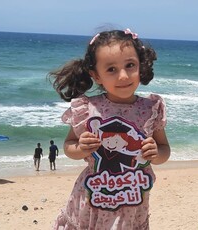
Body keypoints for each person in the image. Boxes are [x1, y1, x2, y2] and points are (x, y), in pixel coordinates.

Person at [50, 28, 170, 229]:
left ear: (141, 66)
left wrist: (155, 154)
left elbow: (164, 149)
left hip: (133, 200)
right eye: (111, 69)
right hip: (92, 198)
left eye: (130, 65)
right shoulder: (87, 109)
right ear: (96, 75)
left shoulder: (151, 109)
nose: (123, 76)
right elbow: (69, 145)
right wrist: (81, 149)